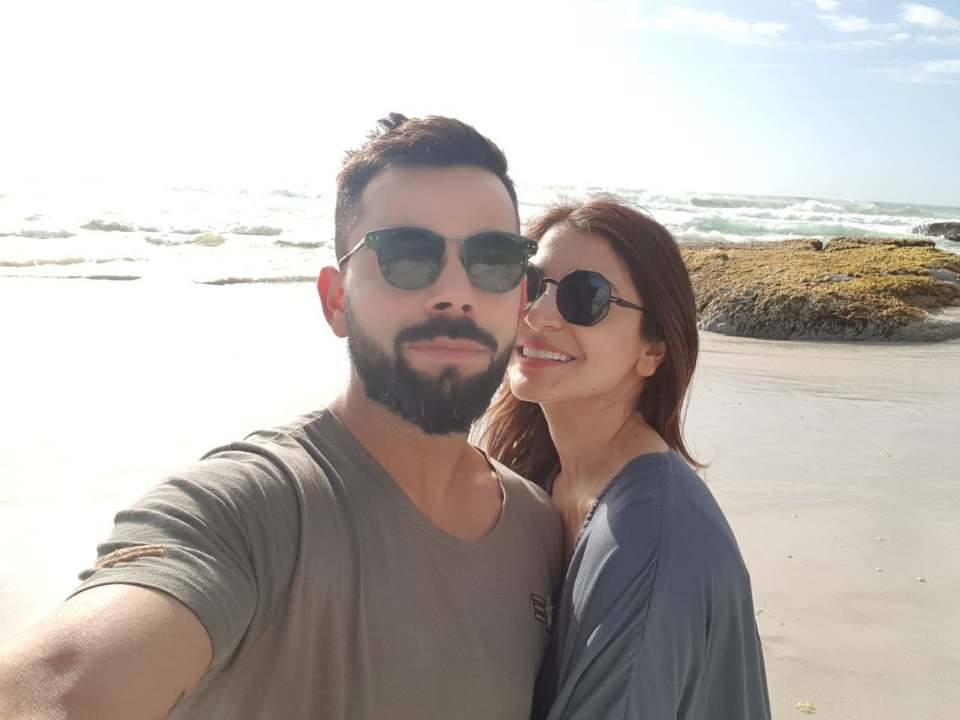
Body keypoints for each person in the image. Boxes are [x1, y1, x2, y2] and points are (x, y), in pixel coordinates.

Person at [0, 114, 563, 720]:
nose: (456, 292)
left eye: (493, 259)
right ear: (336, 301)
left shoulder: (538, 528)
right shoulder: (249, 513)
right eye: (406, 254)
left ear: (520, 299)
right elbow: (58, 683)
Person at [482, 198, 771, 719]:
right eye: (529, 283)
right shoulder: (544, 479)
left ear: (653, 349)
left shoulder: (648, 537)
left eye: (586, 297)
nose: (538, 314)